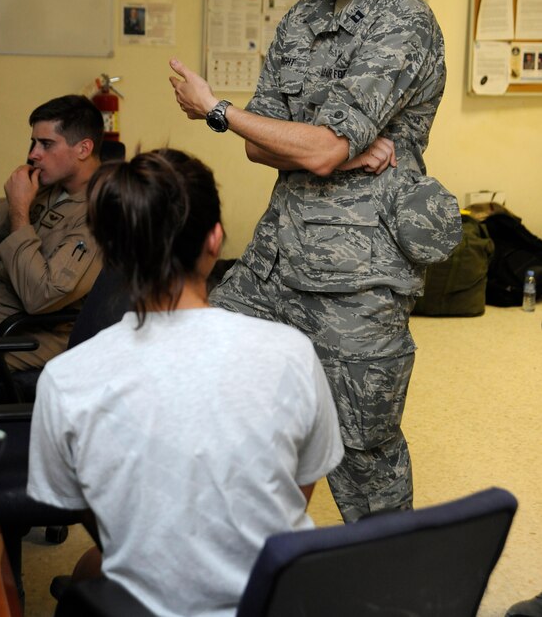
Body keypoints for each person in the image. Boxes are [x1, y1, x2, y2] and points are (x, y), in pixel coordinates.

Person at [169, 0, 461, 522]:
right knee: (220, 395)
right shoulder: (300, 22)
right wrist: (332, 149)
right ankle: (256, 555)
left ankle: (390, 592)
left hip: (358, 282)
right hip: (276, 263)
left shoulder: (402, 27)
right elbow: (259, 143)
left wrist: (222, 110)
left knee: (364, 457)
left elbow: (314, 147)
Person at [27, 148, 343, 616]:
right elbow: (297, 492)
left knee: (89, 572)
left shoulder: (66, 378)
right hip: (277, 600)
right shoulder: (291, 352)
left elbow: (83, 508)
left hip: (149, 606)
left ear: (109, 252)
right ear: (215, 240)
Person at [0, 95, 104, 392]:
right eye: (33, 143)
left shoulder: (99, 211)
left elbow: (42, 297)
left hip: (28, 331)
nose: (33, 154)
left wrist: (20, 211)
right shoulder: (50, 189)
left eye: (46, 144)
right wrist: (16, 202)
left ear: (83, 149)